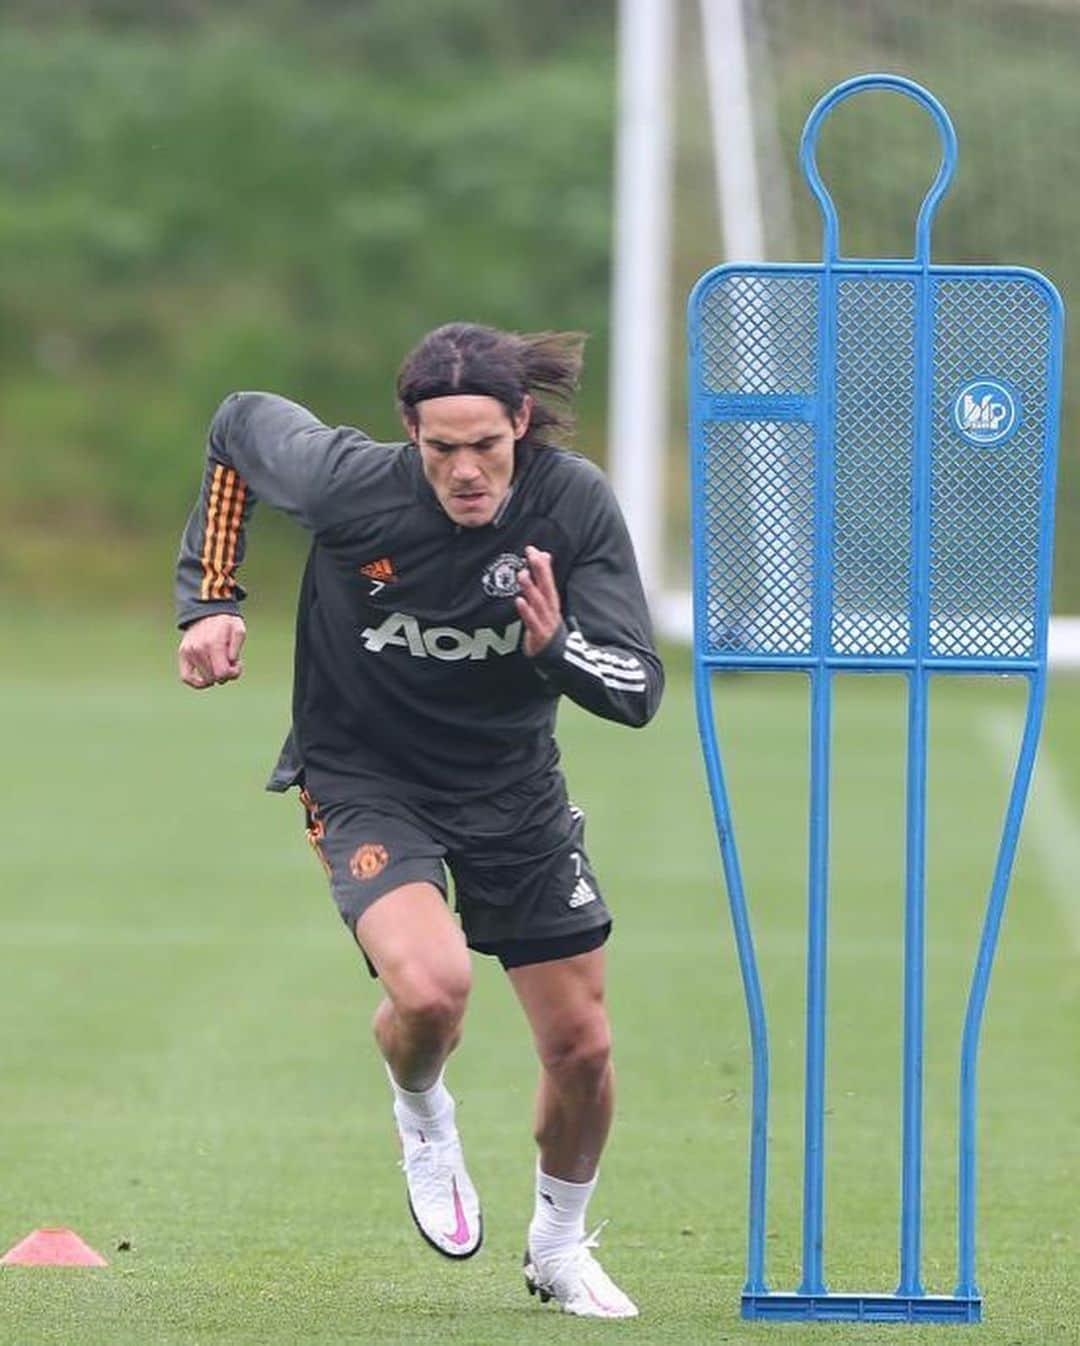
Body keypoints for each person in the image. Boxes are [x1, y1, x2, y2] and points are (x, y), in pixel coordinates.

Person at [174, 322, 663, 1318]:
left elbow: (638, 683)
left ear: (521, 422)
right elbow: (235, 429)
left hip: (514, 791)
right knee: (433, 991)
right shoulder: (348, 482)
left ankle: (559, 1245)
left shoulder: (572, 504)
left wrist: (557, 645)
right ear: (410, 432)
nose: (467, 469)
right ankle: (422, 1111)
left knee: (583, 1047)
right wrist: (209, 597)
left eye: (486, 444)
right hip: (366, 776)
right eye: (442, 448)